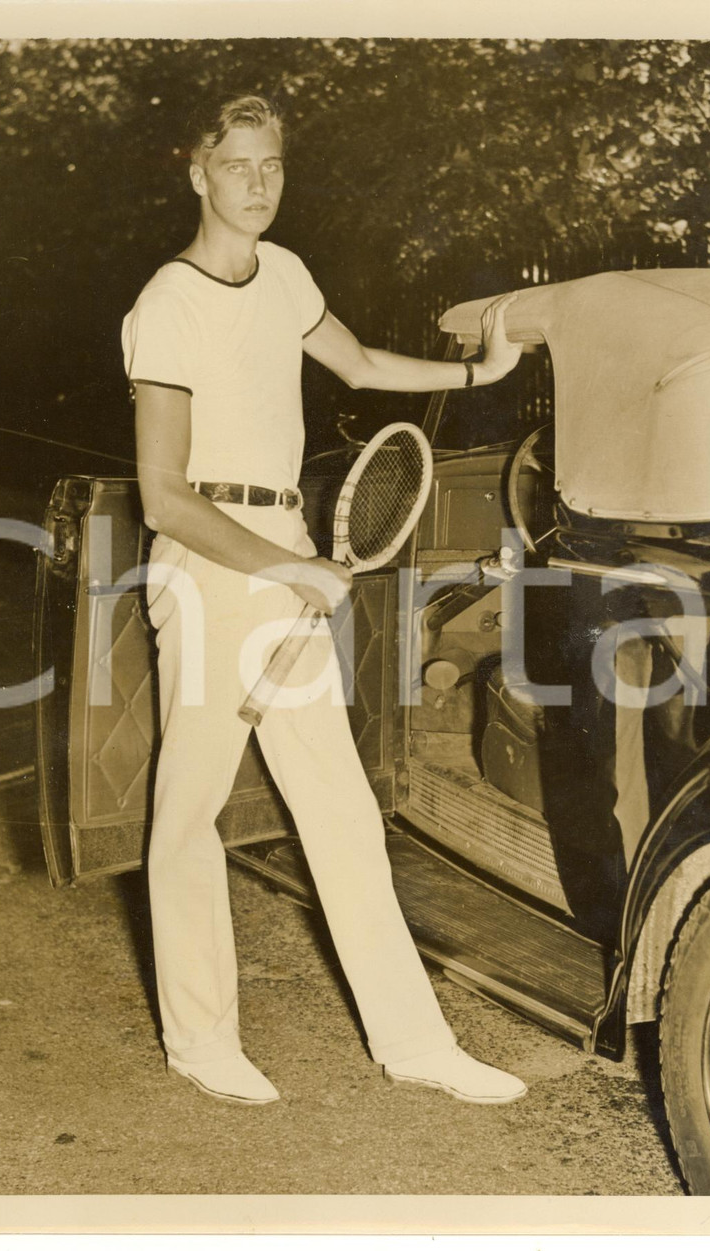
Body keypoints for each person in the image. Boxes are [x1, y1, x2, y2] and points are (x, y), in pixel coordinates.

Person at [121, 92, 525, 1106]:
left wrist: (479, 372)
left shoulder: (287, 275)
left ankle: (413, 1042)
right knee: (192, 810)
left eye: (273, 167)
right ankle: (201, 1039)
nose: (258, 184)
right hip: (211, 568)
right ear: (197, 173)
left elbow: (355, 362)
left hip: (288, 551)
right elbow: (164, 493)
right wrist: (284, 566)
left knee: (339, 808)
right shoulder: (164, 305)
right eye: (239, 165)